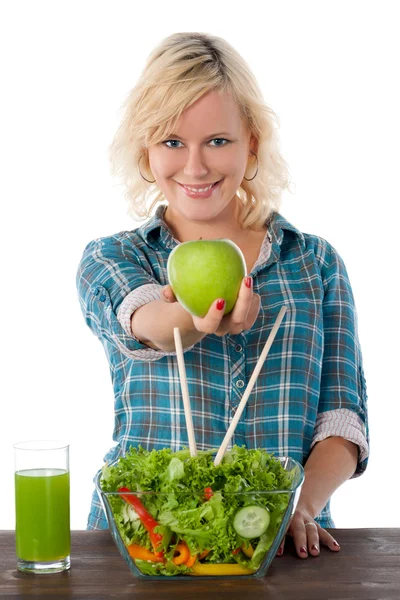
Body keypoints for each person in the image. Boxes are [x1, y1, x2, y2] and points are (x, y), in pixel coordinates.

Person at [76, 32, 369, 559]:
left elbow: (342, 421)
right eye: (171, 142)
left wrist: (301, 506)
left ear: (251, 141)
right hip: (143, 547)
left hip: (278, 548)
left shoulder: (315, 264)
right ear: (145, 149)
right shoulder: (115, 258)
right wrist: (194, 319)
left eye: (217, 140)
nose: (195, 167)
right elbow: (147, 321)